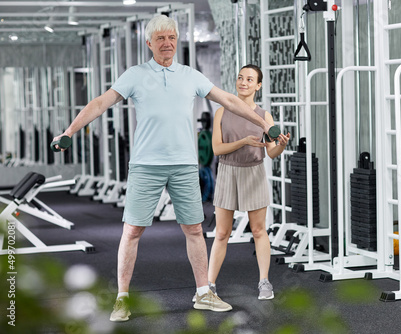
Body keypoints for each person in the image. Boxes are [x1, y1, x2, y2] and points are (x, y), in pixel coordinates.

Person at [52, 16, 275, 322]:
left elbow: (228, 99)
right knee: (132, 231)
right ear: (149, 43)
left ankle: (203, 293)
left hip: (184, 165)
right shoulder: (135, 75)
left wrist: (263, 123)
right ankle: (122, 298)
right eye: (160, 39)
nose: (167, 43)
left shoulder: (189, 75)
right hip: (146, 166)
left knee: (195, 229)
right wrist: (70, 131)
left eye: (171, 37)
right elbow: (101, 102)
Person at [207, 64, 290, 300]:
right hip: (227, 171)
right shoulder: (222, 112)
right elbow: (216, 148)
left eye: (250, 79)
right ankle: (209, 286)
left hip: (253, 172)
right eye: (240, 77)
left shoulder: (265, 116)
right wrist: (243, 141)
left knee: (258, 230)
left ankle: (265, 282)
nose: (243, 82)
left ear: (258, 86)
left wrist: (281, 145)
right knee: (222, 233)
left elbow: (271, 152)